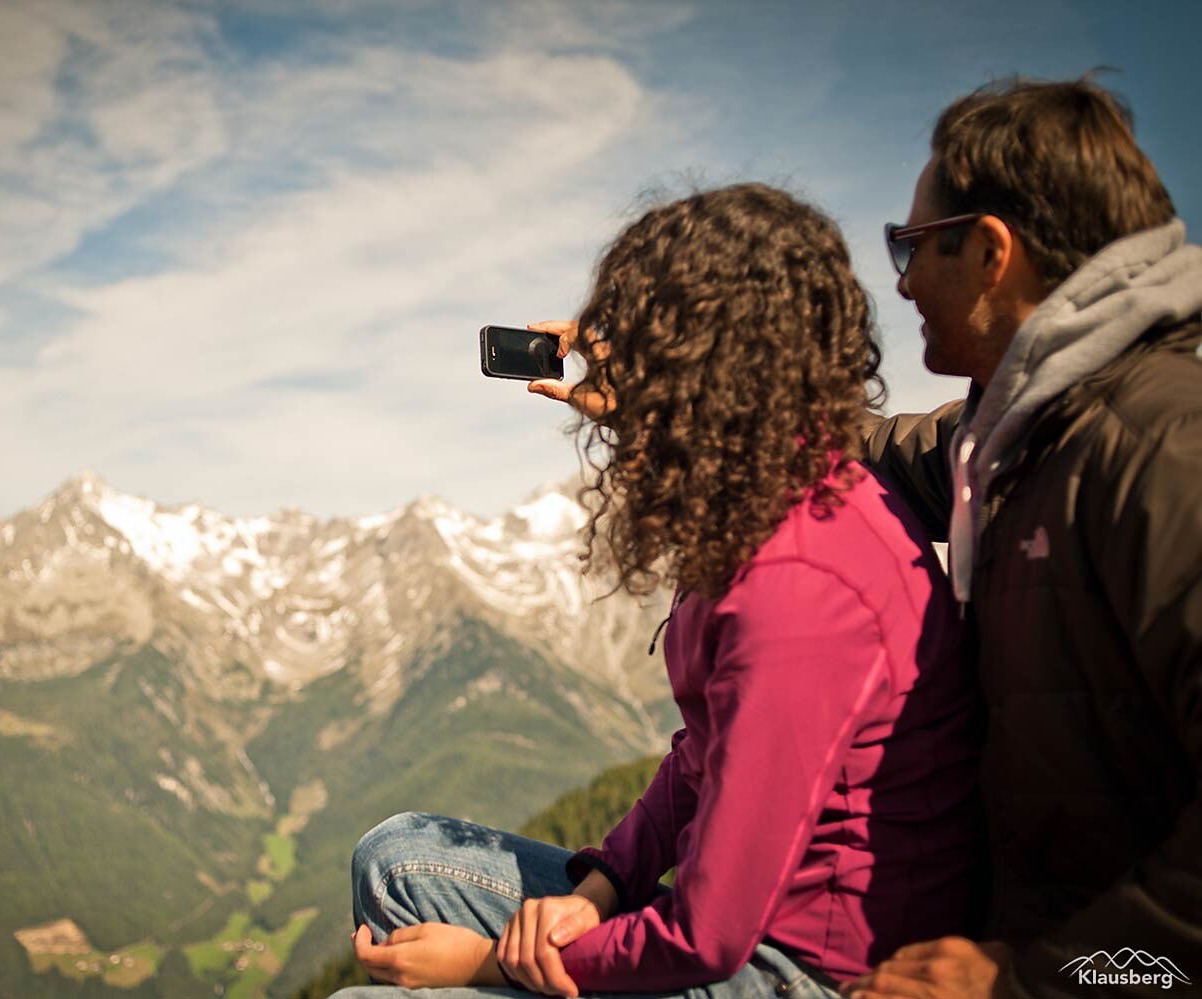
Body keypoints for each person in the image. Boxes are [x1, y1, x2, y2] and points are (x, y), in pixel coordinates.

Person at [331, 184, 981, 999]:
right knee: (397, 858)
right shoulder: (769, 496)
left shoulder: (798, 586)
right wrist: (596, 889)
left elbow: (707, 937)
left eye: (644, 353)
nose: (614, 385)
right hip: (744, 924)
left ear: (707, 372)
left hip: (807, 969)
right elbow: (706, 752)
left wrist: (488, 963)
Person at [842, 77, 1202, 999]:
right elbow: (865, 440)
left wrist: (1040, 981)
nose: (905, 280)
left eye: (912, 245)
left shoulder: (1165, 448)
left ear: (993, 250)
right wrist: (669, 380)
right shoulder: (1016, 441)